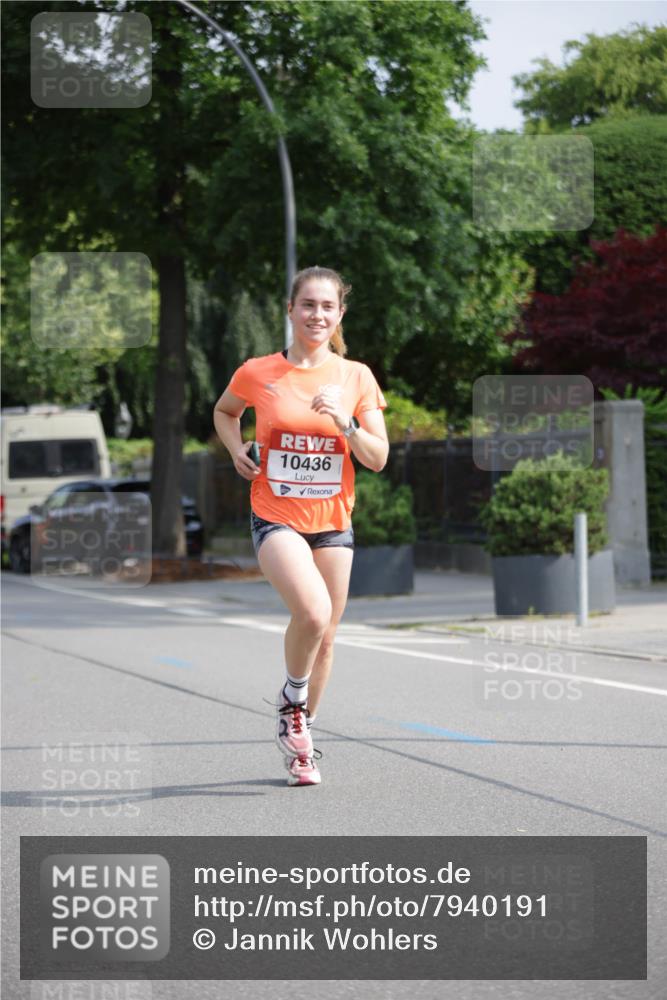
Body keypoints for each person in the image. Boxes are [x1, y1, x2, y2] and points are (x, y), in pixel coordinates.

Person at [213, 266, 389, 786]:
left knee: (327, 637)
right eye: (308, 305)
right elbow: (225, 412)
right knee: (312, 612)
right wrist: (236, 449)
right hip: (276, 514)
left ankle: (300, 744)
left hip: (333, 521)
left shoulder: (356, 377)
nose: (317, 315)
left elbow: (377, 458)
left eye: (327, 307)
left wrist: (346, 423)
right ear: (290, 310)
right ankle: (292, 702)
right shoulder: (258, 371)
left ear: (340, 314)